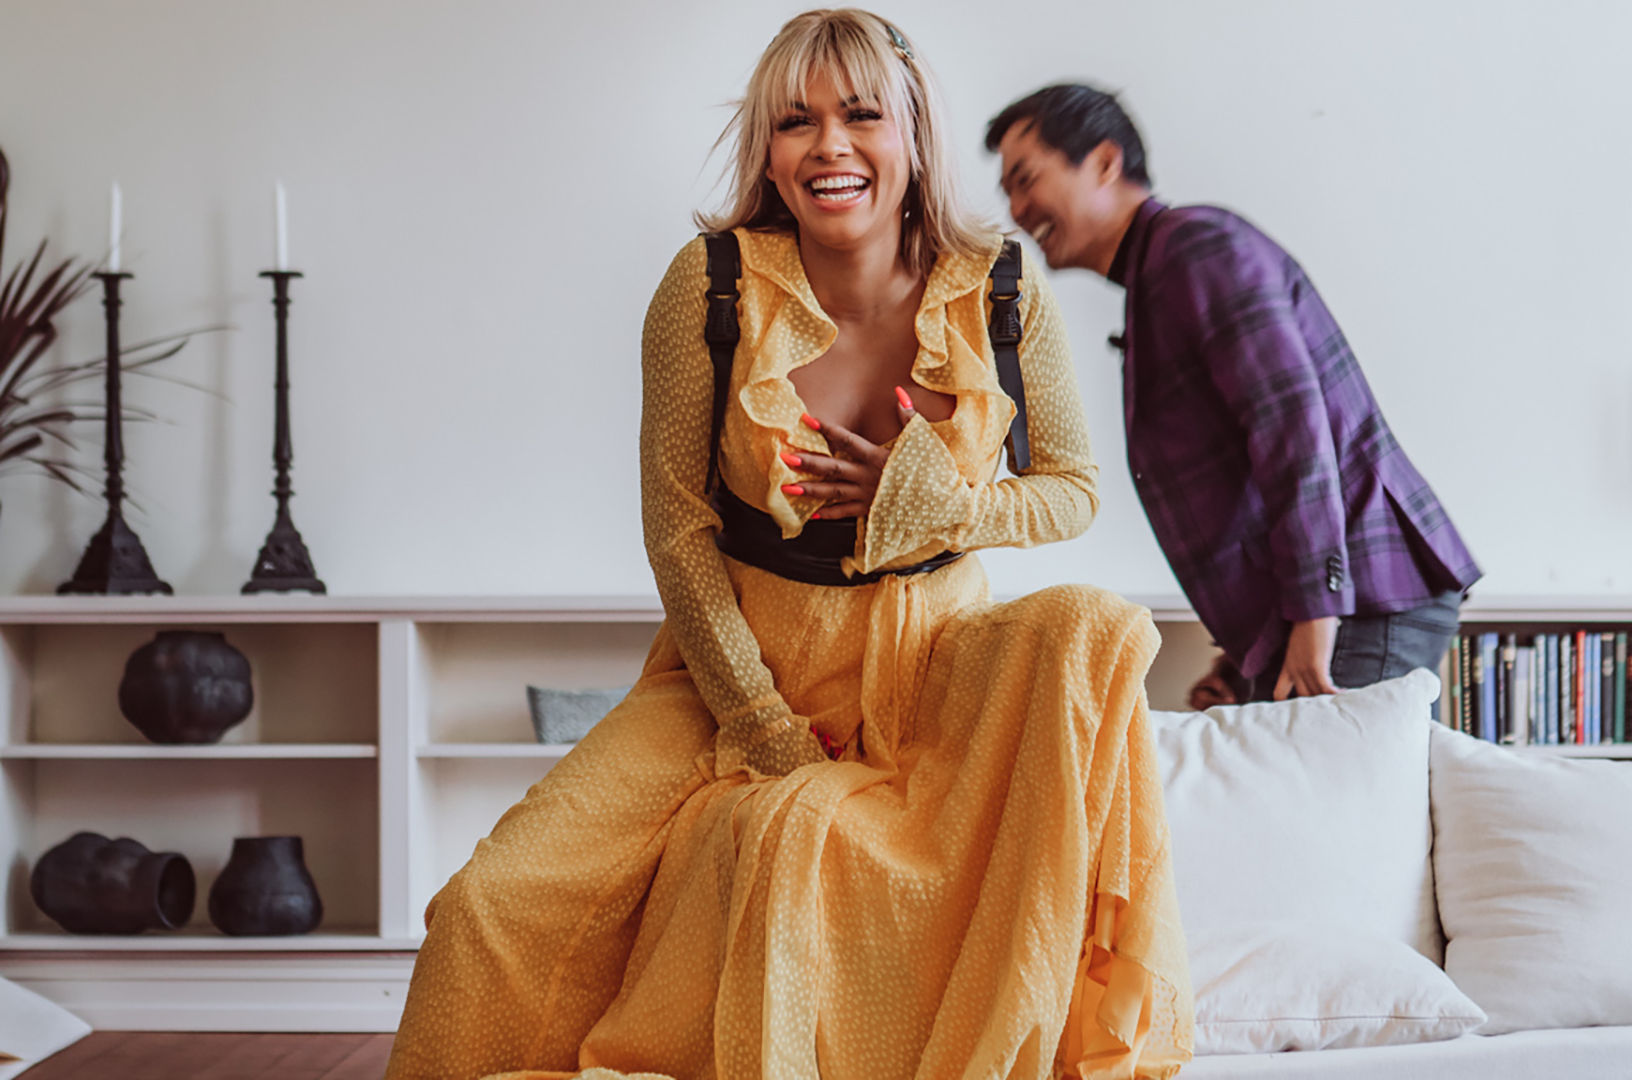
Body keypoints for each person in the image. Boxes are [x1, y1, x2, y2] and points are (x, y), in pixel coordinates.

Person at [385, 15, 1190, 1080]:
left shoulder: (998, 285)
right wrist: (762, 724)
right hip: (737, 661)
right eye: (795, 122)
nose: (829, 146)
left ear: (913, 135)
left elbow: (1070, 491)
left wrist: (930, 502)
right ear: (767, 153)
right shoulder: (709, 285)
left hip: (930, 654)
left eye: (861, 115)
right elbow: (678, 530)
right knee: (493, 904)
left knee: (1090, 629)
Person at [985, 85, 1482, 710]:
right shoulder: (1162, 274)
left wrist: (1316, 613)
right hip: (1343, 607)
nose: (1017, 209)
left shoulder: (1195, 248)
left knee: (1335, 781)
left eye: (1026, 179)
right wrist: (1242, 664)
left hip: (1359, 606)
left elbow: (1290, 425)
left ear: (1105, 162)